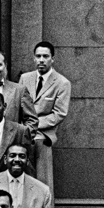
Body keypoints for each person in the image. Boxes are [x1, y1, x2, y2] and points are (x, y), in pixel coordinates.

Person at [17, 41, 71, 193]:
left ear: (52, 59)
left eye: (45, 56)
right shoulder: (25, 78)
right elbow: (18, 104)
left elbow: (59, 113)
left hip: (43, 136)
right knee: (21, 178)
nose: (41, 60)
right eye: (38, 56)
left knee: (43, 182)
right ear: (33, 58)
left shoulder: (62, 83)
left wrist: (33, 125)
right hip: (23, 135)